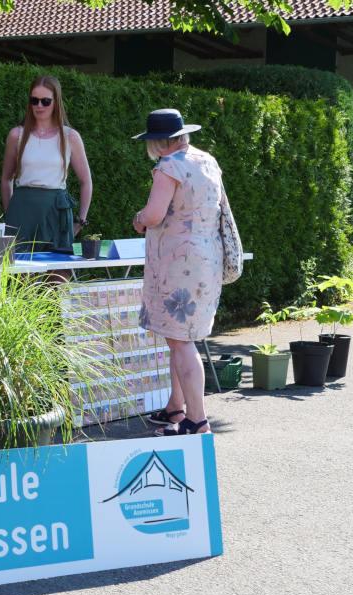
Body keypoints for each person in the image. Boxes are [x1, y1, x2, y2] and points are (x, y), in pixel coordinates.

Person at [131, 108, 224, 436]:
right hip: (207, 261)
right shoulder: (207, 160)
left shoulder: (169, 166)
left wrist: (138, 218)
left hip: (178, 264)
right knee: (180, 338)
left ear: (158, 143)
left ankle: (196, 421)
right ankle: (175, 407)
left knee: (182, 343)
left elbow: (154, 215)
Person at [1, 75, 92, 252]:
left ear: (56, 102)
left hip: (56, 211)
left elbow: (86, 181)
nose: (39, 106)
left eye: (45, 101)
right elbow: (6, 179)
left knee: (58, 275)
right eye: (34, 100)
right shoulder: (16, 135)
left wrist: (81, 220)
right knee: (20, 274)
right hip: (22, 210)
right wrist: (10, 214)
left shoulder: (70, 137)